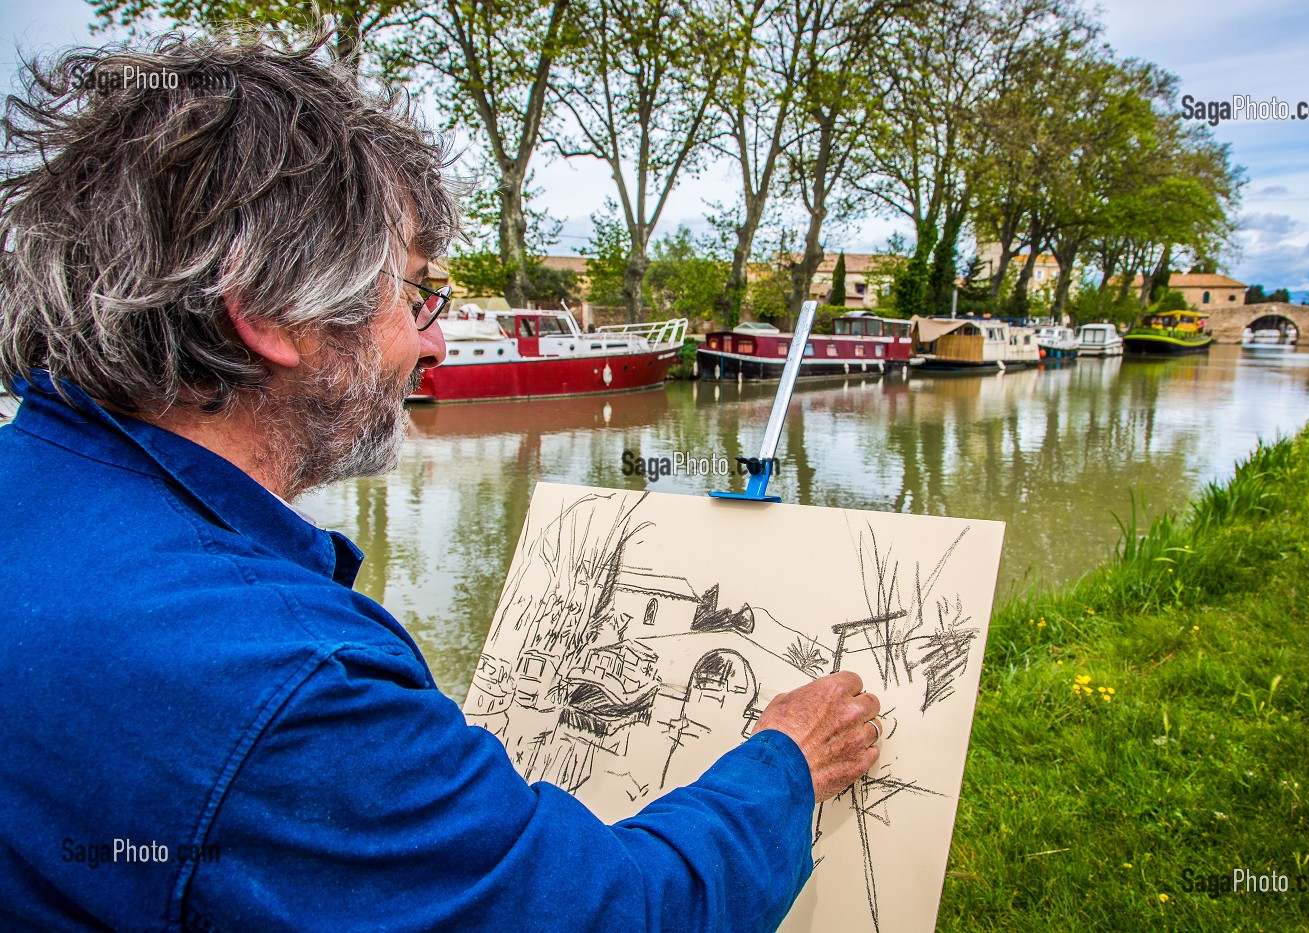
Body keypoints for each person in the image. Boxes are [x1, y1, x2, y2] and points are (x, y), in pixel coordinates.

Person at [0, 30, 882, 931]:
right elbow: (618, 915)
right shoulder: (296, 687)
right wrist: (787, 762)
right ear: (270, 311)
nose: (435, 342)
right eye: (416, 294)